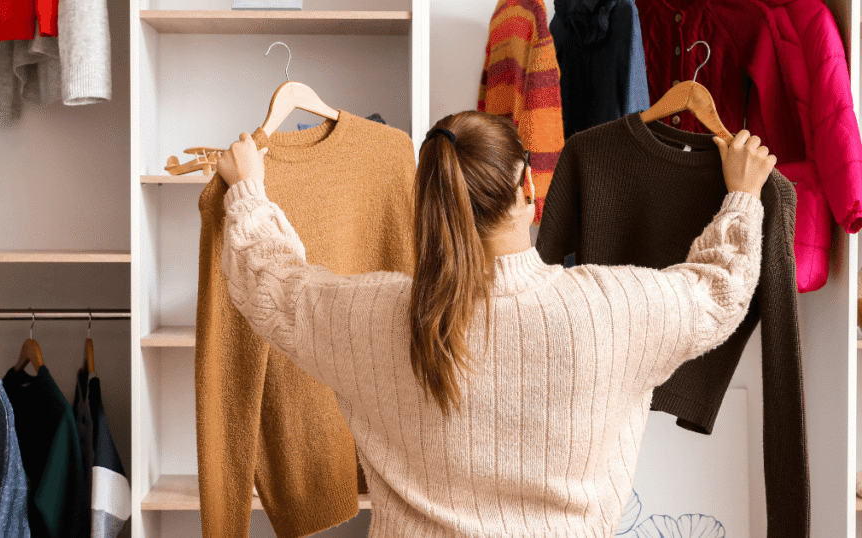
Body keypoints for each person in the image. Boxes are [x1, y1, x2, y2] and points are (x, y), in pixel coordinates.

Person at [215, 110, 774, 537]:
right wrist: (743, 196)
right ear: (527, 187)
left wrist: (246, 192)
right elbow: (720, 290)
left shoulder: (371, 316)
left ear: (427, 202)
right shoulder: (614, 309)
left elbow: (270, 286)